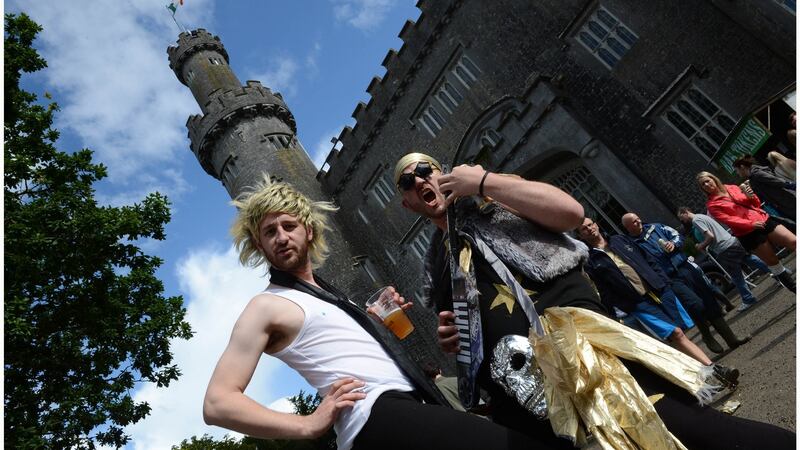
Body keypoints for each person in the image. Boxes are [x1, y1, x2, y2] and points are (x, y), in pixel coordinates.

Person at [395, 152, 795, 449]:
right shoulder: (438, 267)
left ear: (442, 172)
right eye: (407, 181)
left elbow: (570, 213)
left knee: (698, 431)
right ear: (407, 203)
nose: (419, 181)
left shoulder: (498, 201)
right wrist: (459, 339)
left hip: (592, 354)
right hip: (535, 397)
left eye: (425, 169)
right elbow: (474, 335)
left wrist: (483, 181)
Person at [203, 175, 557, 450]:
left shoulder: (329, 296)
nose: (281, 237)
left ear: (308, 231)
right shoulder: (267, 305)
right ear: (259, 245)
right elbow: (218, 403)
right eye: (269, 232)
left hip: (409, 407)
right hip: (375, 414)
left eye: (289, 226)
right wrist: (307, 424)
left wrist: (371, 322)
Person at [578, 217, 727, 362]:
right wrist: (624, 306)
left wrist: (664, 281)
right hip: (638, 303)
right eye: (584, 229)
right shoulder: (590, 260)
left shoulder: (619, 240)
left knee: (683, 327)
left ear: (596, 225)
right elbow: (603, 291)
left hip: (659, 289)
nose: (589, 229)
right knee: (675, 333)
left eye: (590, 225)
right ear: (580, 235)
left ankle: (694, 367)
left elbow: (648, 259)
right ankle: (710, 367)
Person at [620, 213, 749, 352]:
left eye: (638, 218)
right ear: (627, 227)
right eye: (633, 222)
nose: (638, 222)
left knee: (710, 302)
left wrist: (673, 244)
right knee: (696, 305)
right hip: (669, 278)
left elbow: (679, 237)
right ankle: (707, 336)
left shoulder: (656, 227)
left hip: (685, 267)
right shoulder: (631, 245)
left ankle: (732, 340)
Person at [696, 171, 795, 292]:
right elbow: (729, 220)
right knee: (773, 262)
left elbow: (755, 204)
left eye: (707, 180)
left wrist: (751, 195)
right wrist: (751, 224)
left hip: (763, 220)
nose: (706, 184)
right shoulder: (712, 205)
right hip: (748, 234)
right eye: (703, 184)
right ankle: (794, 288)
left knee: (794, 241)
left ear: (714, 179)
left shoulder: (732, 187)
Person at [678, 207, 770, 312]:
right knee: (752, 260)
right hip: (732, 242)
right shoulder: (702, 216)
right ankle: (779, 273)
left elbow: (710, 236)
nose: (682, 221)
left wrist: (701, 246)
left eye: (681, 218)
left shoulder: (696, 220)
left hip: (724, 249)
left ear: (685, 212)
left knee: (736, 276)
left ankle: (748, 299)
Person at [732, 155, 796, 222]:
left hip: (789, 201)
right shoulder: (752, 178)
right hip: (784, 204)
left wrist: (794, 186)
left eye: (737, 170)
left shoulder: (756, 173)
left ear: (742, 167)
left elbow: (778, 181)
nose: (737, 173)